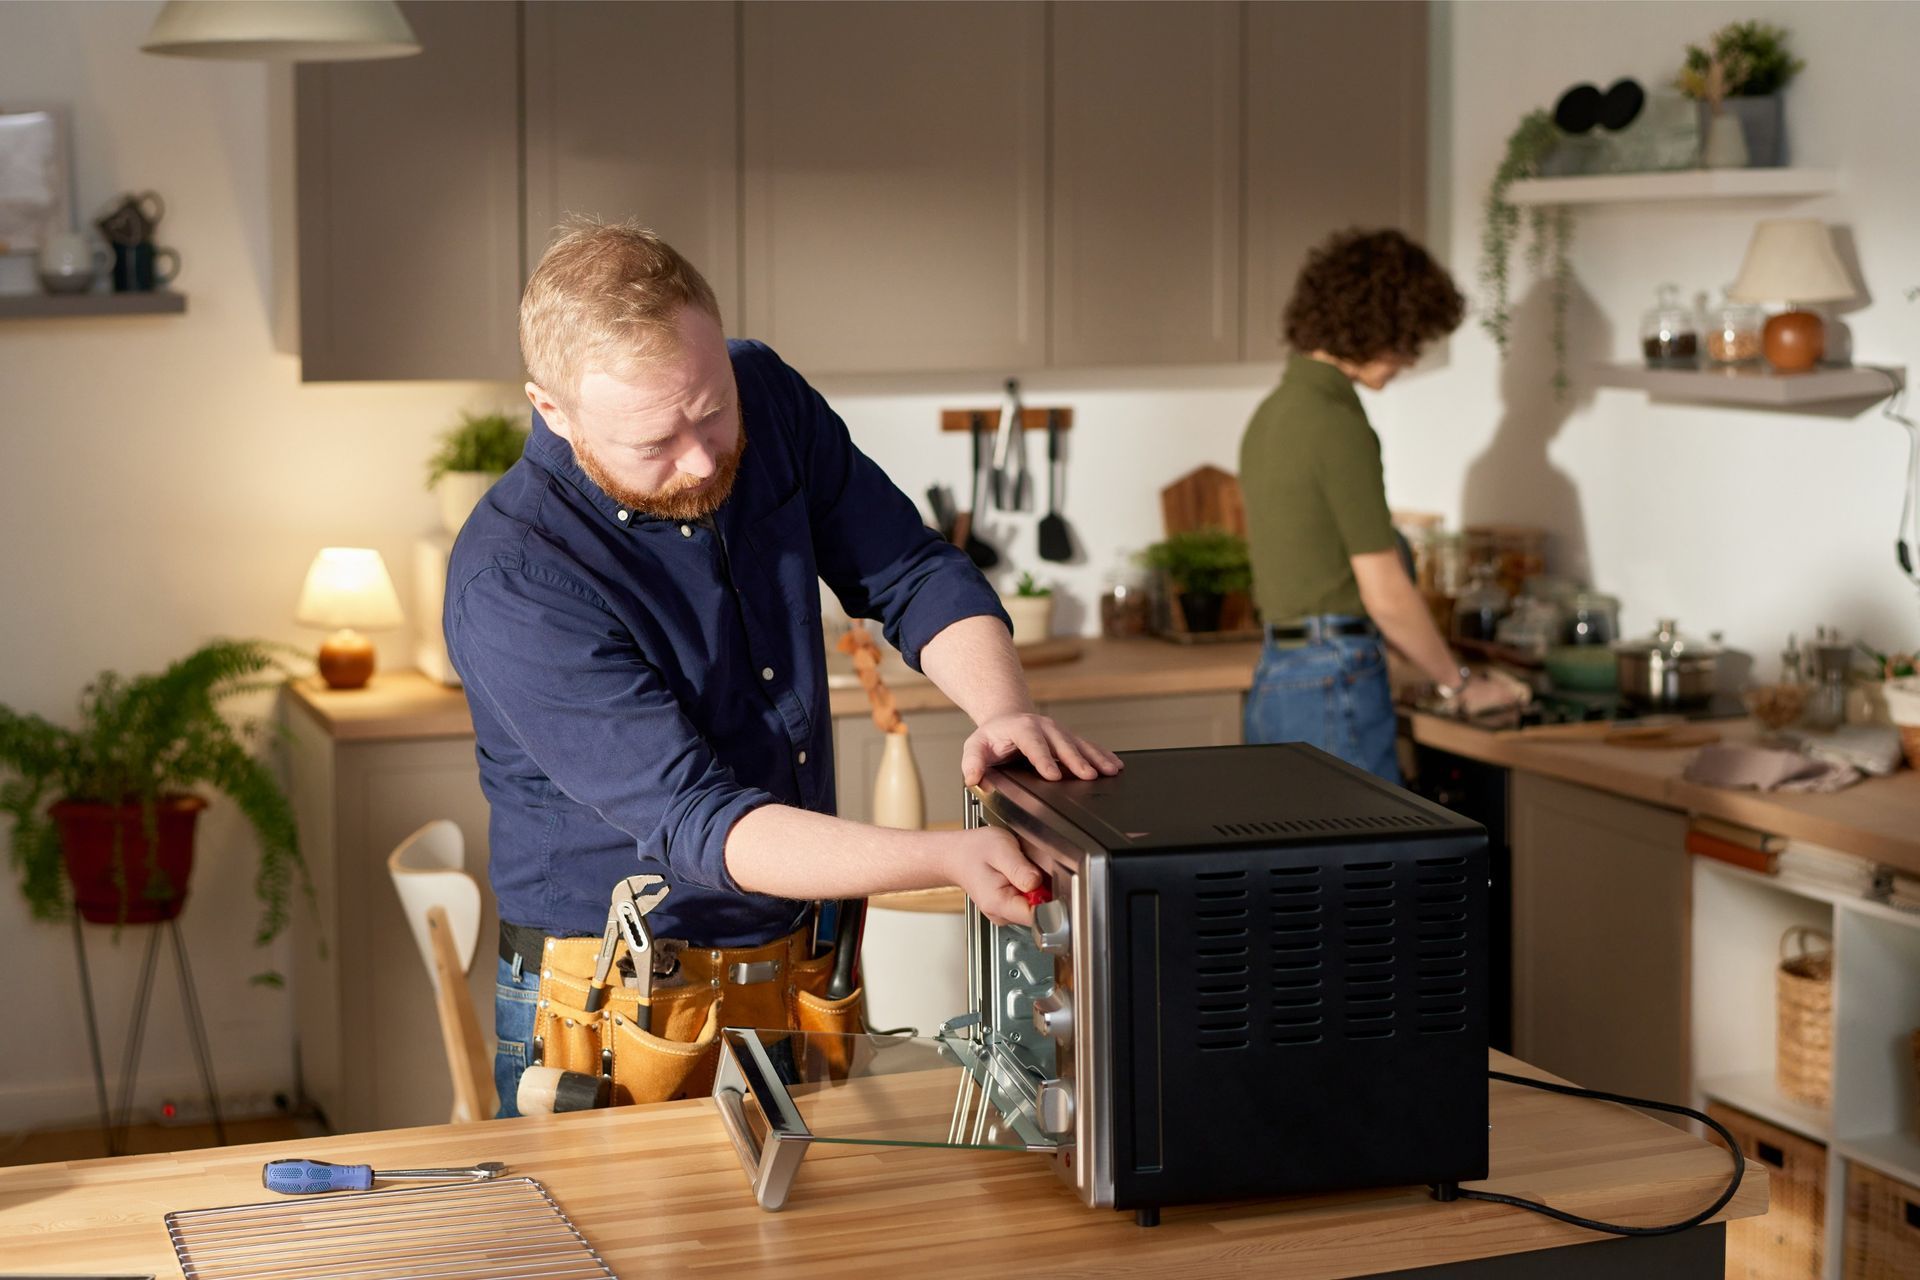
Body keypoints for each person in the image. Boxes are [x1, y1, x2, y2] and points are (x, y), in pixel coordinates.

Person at [446, 219, 1121, 1115]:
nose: (701, 457)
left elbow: (910, 570)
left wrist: (1001, 711)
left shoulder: (763, 393)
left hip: (800, 960)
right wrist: (941, 857)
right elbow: (706, 821)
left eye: (710, 408)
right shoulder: (515, 578)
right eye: (654, 443)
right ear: (552, 409)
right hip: (617, 1007)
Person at [1238, 228, 1517, 783]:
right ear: (1375, 326)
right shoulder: (1338, 425)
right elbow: (1384, 593)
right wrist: (1461, 683)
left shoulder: (1273, 413)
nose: (1410, 359)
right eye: (1408, 341)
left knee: (1300, 866)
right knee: (1366, 863)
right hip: (1335, 680)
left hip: (1277, 678)